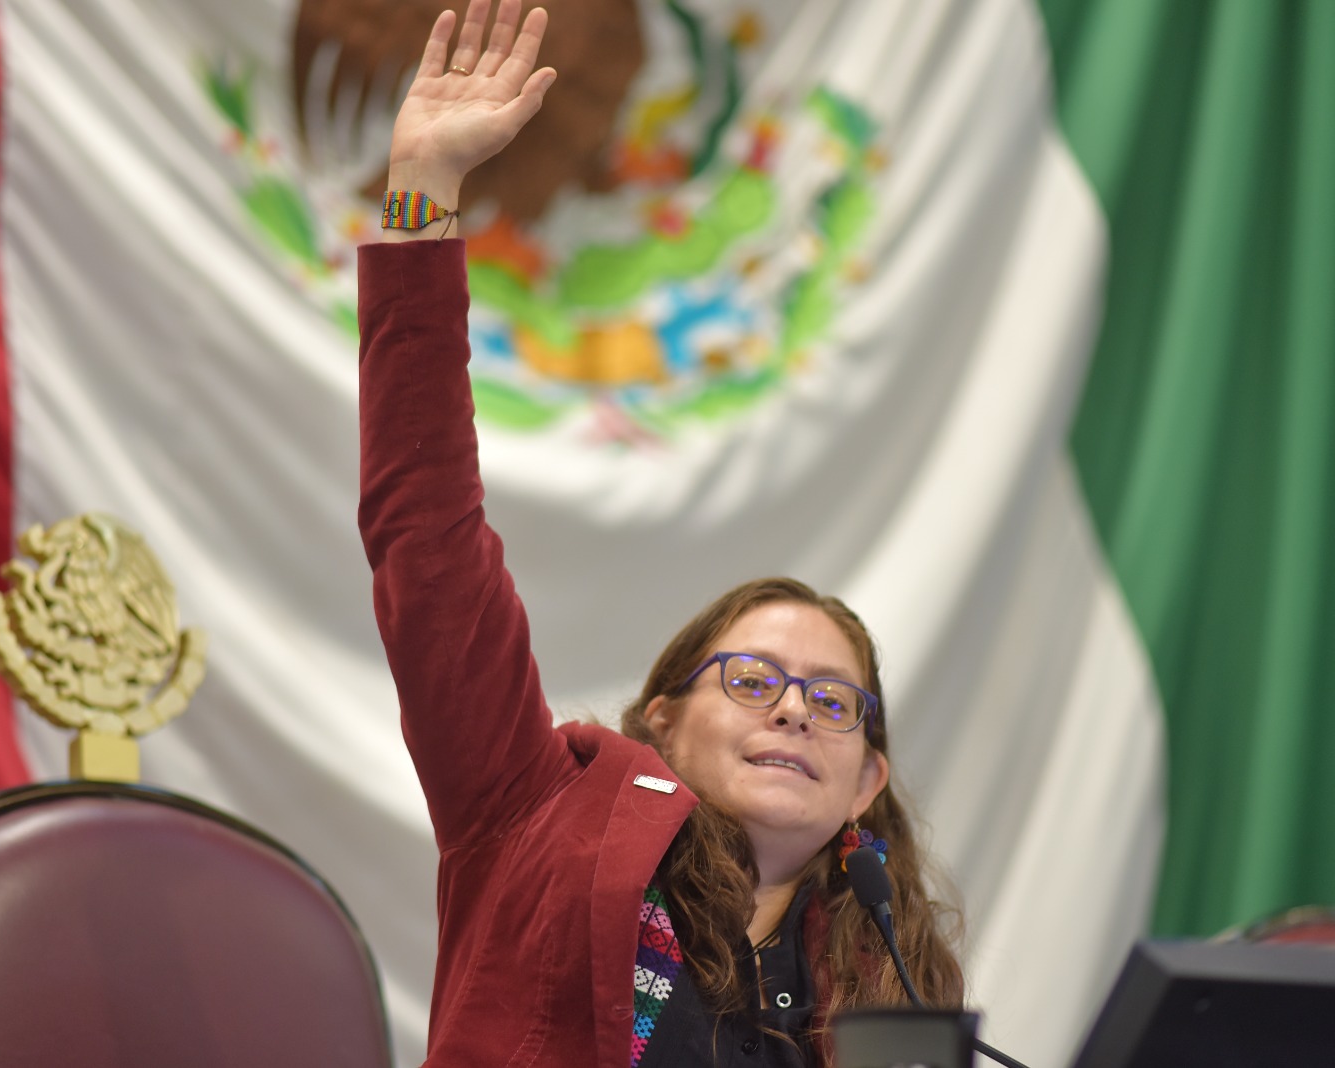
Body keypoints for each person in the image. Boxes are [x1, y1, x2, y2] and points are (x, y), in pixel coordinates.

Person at [357, 2, 964, 1064]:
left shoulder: (891, 991)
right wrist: (421, 187)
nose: (793, 709)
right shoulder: (534, 812)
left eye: (833, 703)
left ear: (866, 784)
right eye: (751, 680)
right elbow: (426, 531)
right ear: (663, 723)